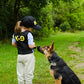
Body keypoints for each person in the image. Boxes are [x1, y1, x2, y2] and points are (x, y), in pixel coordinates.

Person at [12, 16, 41, 84]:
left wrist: (20, 47)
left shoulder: (15, 34)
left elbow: (13, 43)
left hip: (20, 56)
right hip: (28, 56)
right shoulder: (28, 34)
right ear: (29, 27)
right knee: (28, 74)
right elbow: (30, 46)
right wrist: (33, 44)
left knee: (20, 74)